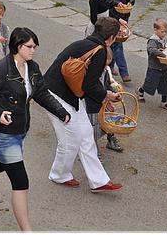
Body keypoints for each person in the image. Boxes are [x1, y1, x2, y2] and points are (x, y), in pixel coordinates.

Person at [0, 27, 71, 231]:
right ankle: (27, 230)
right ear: (18, 46)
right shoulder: (1, 70)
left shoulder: (32, 67)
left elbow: (41, 93)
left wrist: (61, 112)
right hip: (2, 133)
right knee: (20, 181)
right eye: (29, 46)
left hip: (20, 130)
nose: (33, 50)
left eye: (34, 46)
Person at [42, 16, 124, 192]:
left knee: (85, 133)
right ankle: (59, 174)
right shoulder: (100, 50)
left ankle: (99, 180)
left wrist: (103, 96)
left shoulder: (85, 43)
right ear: (111, 38)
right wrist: (107, 95)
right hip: (55, 96)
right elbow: (90, 85)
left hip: (62, 93)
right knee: (71, 138)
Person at [104, 0, 135, 82]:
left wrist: (130, 3)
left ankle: (110, 65)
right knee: (117, 42)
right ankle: (124, 73)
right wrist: (117, 3)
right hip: (112, 14)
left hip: (124, 13)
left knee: (115, 41)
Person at [138, 18, 167, 111]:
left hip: (163, 66)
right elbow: (152, 50)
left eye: (166, 32)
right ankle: (140, 91)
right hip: (154, 67)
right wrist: (163, 54)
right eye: (162, 32)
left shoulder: (163, 40)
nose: (164, 34)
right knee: (150, 83)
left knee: (164, 84)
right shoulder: (152, 41)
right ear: (155, 30)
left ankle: (164, 102)